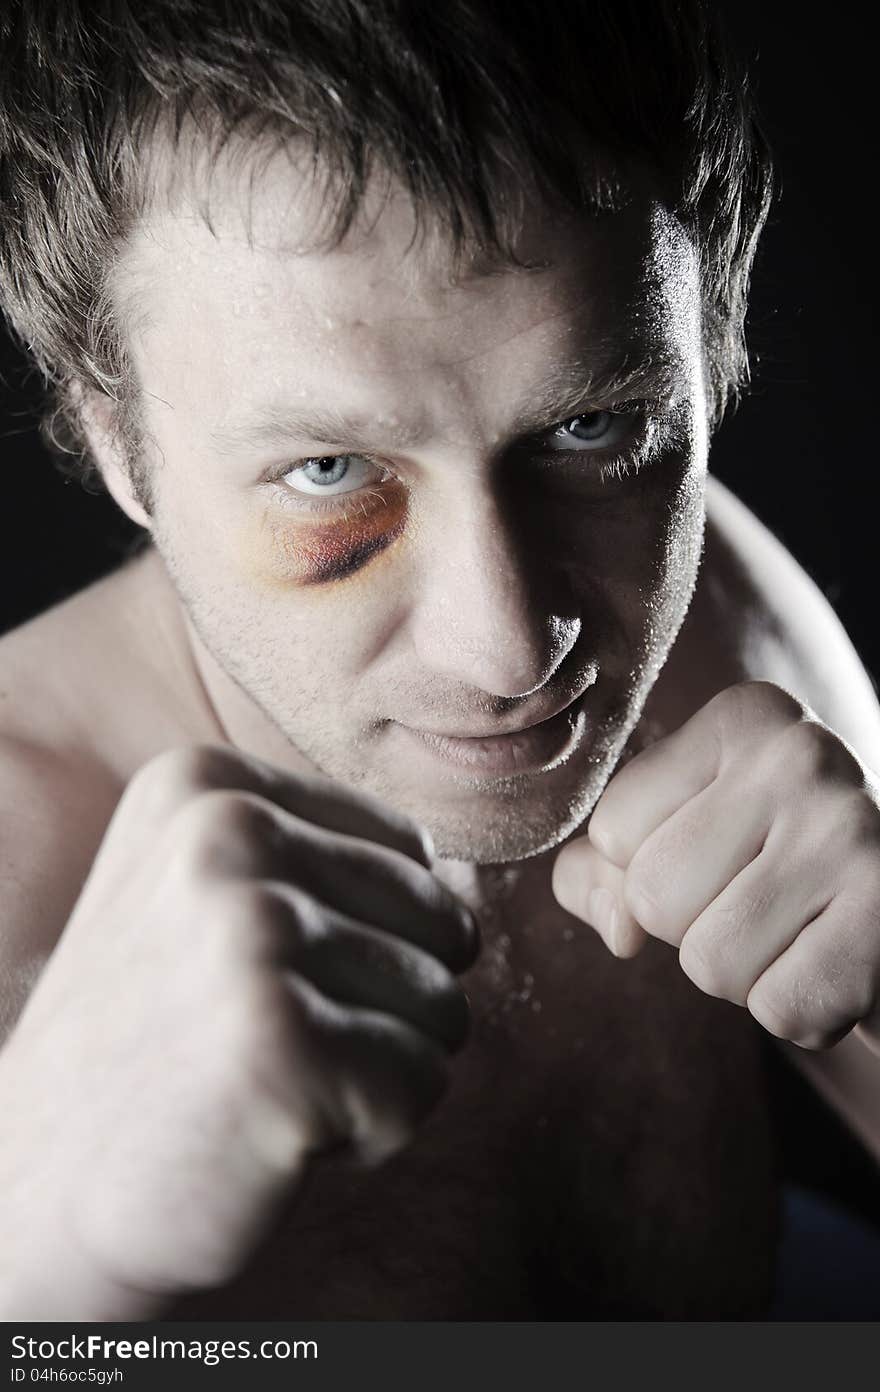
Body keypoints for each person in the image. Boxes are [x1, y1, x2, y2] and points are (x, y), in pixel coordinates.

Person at [0, 0, 878, 1321]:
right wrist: (42, 1249)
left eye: (588, 426)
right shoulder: (18, 873)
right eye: (327, 470)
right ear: (120, 444)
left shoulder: (727, 636)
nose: (513, 647)